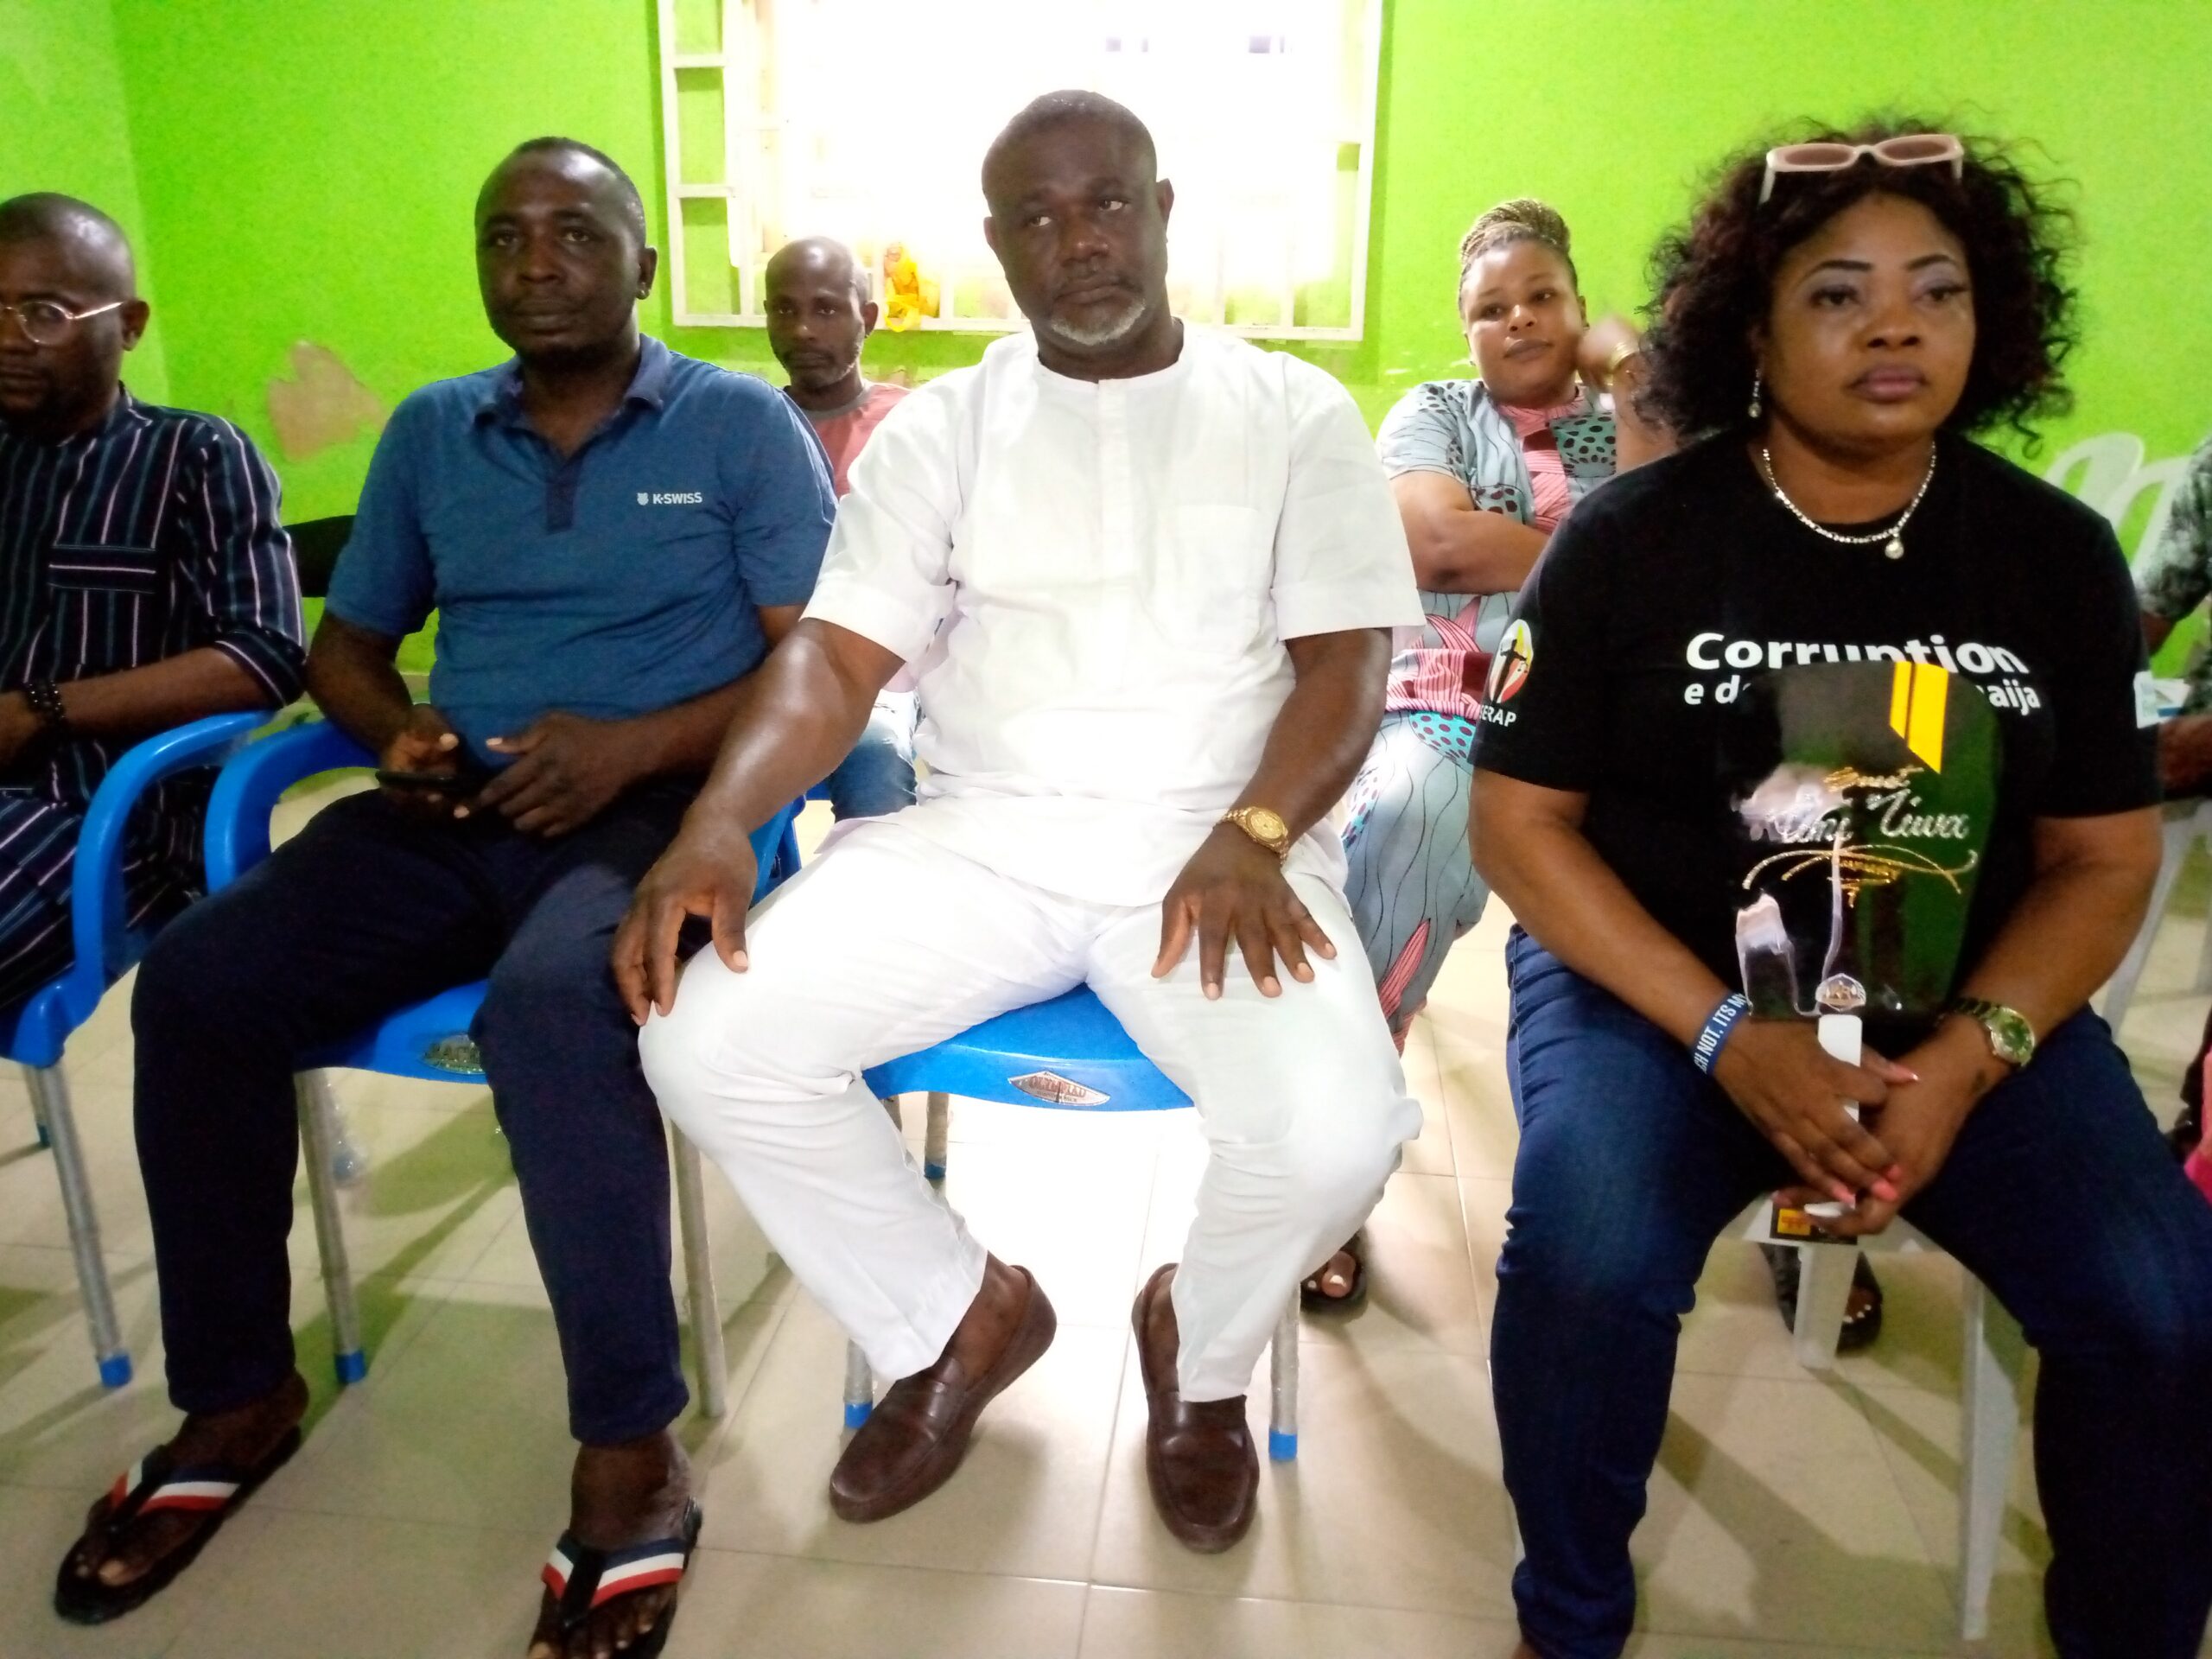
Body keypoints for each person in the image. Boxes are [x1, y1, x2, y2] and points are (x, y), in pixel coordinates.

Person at [51, 140, 835, 1659]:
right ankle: (237, 1394)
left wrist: (634, 752)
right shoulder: (430, 431)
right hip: (451, 809)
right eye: (504, 236)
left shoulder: (737, 426)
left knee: (553, 1013)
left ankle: (629, 1449)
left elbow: (815, 664)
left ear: (643, 265)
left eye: (574, 233)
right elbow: (347, 645)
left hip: (656, 815)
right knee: (200, 985)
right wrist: (388, 731)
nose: (536, 263)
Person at [620, 91, 1423, 1554]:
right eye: (1037, 219)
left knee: (1337, 1134)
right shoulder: (944, 429)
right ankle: (957, 1319)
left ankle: (1200, 1349)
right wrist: (725, 818)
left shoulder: (1292, 413)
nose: (1079, 241)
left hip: (1218, 848)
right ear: (996, 246)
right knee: (705, 1042)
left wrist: (1257, 833)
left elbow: (1347, 663)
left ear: (1163, 212)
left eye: (1106, 203)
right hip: (983, 834)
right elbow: (837, 657)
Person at [1469, 123, 2212, 1659]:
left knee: (2164, 1303)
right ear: (1749, 327)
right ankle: (1569, 1622)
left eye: (1937, 292)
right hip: (1659, 997)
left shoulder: (2053, 558)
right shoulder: (1630, 543)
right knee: (1588, 1261)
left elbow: (2101, 859)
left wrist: (1970, 1060)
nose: (1895, 328)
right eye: (1838, 294)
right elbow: (1521, 828)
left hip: (1960, 1013)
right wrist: (1726, 1036)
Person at [1313, 199, 1664, 1308]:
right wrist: (1612, 559)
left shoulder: (1631, 415)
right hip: (1450, 708)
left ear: (1580, 308)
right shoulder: (1435, 413)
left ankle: (1770, 1175)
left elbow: (1674, 533)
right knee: (1405, 816)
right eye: (1490, 308)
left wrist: (1629, 368)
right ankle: (1337, 1163)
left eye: (1542, 298)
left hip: (1616, 734)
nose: (1517, 320)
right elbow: (1435, 544)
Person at [0, 194, 303, 1001]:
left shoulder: (195, 455)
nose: (9, 339)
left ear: (129, 325)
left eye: (44, 314)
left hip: (111, 818)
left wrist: (37, 711)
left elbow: (266, 656)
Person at [763, 234, 917, 823]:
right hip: (761, 668)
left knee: (875, 762)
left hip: (878, 669)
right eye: (785, 309)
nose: (803, 329)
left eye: (826, 309)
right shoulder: (746, 429)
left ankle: (881, 883)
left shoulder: (913, 426)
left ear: (867, 319)